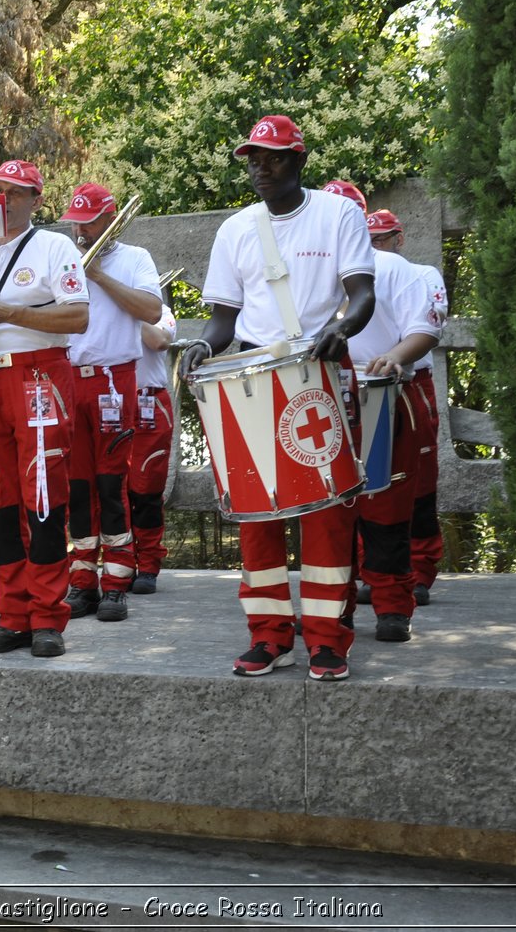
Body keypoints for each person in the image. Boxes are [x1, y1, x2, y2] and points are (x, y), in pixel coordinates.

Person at [178, 115, 376, 681]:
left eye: (274, 158)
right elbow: (223, 322)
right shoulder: (236, 229)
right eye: (253, 159)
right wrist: (201, 347)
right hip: (251, 380)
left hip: (319, 374)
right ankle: (269, 636)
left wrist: (341, 327)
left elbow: (361, 294)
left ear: (299, 159)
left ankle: (327, 639)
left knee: (327, 512)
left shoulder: (338, 214)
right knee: (254, 512)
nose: (261, 169)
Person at [0, 160, 90, 658]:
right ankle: (11, 615)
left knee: (44, 496)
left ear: (36, 199)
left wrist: (7, 311)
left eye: (15, 193)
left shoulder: (56, 246)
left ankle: (48, 617)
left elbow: (78, 316)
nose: (3, 200)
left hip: (39, 375)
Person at [60, 183, 162, 624]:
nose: (82, 230)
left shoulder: (135, 258)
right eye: (76, 223)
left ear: (110, 218)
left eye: (90, 222)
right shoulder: (62, 256)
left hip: (113, 379)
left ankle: (117, 581)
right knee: (77, 488)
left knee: (111, 485)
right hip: (70, 378)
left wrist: (98, 273)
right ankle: (82, 580)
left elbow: (152, 312)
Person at [344, 206, 441, 641]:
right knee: (331, 509)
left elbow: (425, 330)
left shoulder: (395, 267)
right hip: (325, 394)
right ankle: (332, 603)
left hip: (385, 391)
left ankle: (393, 603)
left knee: (388, 502)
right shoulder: (306, 268)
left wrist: (394, 358)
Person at [366, 209, 448, 604]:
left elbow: (428, 325)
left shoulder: (422, 273)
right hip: (364, 387)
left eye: (381, 239)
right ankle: (371, 572)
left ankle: (420, 569)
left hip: (412, 383)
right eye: (369, 241)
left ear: (399, 238)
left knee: (418, 482)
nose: (374, 247)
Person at [127, 302, 178, 594]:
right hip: (109, 400)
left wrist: (128, 308)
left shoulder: (159, 310)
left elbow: (159, 341)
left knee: (146, 488)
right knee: (112, 489)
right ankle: (118, 561)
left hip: (149, 401)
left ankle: (147, 563)